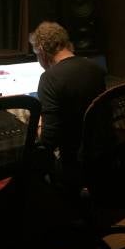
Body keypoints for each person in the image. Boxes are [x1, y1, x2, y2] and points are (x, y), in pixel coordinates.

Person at [29, 21, 105, 186]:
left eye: (36, 54)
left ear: (41, 50)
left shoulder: (49, 78)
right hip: (102, 153)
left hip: (73, 161)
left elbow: (49, 141)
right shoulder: (94, 68)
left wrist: (38, 125)